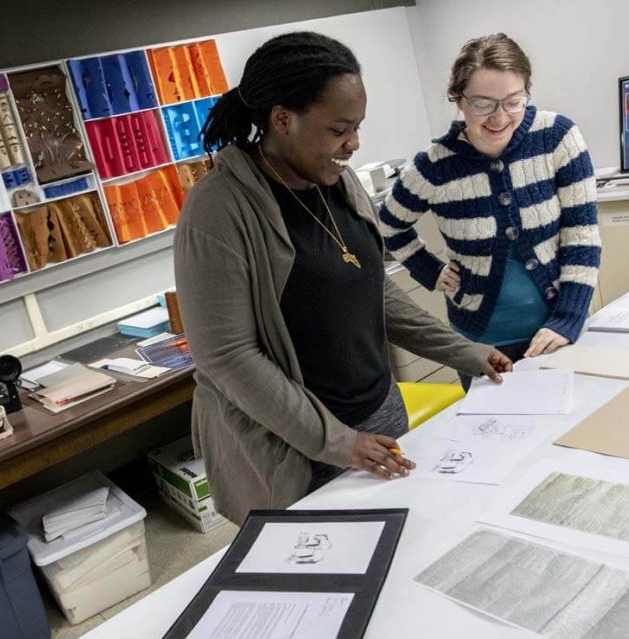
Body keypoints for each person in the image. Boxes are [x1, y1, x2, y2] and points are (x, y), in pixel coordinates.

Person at [173, 32, 512, 525]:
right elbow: (226, 357)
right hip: (296, 450)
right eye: (339, 129)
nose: (354, 144)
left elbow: (371, 291)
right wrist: (338, 443)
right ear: (282, 118)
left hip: (377, 421)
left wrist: (466, 352)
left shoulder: (335, 178)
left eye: (357, 127)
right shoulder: (218, 209)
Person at [379, 33, 601, 384]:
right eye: (483, 104)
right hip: (481, 347)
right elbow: (389, 225)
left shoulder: (558, 138)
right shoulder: (433, 167)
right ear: (458, 99)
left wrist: (569, 317)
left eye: (514, 101)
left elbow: (582, 237)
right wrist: (428, 270)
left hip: (558, 330)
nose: (499, 117)